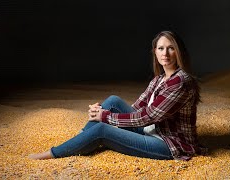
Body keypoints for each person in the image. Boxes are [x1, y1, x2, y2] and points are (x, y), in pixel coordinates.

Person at [29, 31, 207, 161]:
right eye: (161, 48)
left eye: (171, 49)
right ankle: (81, 140)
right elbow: (137, 108)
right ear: (155, 52)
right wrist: (101, 111)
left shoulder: (180, 82)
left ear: (179, 52)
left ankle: (54, 153)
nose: (165, 53)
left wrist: (104, 117)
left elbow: (147, 116)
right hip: (153, 130)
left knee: (101, 129)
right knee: (113, 101)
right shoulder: (159, 79)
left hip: (170, 144)